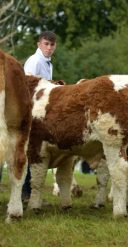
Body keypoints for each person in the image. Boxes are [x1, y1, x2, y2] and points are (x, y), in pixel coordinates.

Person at [22, 31, 57, 202]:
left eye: (51, 45)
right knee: (30, 151)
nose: (49, 48)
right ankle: (26, 192)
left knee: (36, 151)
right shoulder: (34, 61)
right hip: (31, 112)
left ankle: (30, 193)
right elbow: (27, 87)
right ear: (39, 44)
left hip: (41, 112)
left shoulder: (48, 63)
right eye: (46, 44)